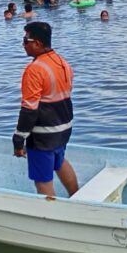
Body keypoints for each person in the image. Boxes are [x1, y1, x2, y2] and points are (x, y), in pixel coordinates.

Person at [12, 22, 79, 197]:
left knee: (42, 179)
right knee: (59, 161)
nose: (23, 44)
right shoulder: (63, 63)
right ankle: (77, 196)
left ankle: (51, 209)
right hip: (64, 128)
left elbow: (29, 110)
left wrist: (19, 139)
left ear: (37, 44)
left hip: (44, 134)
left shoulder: (34, 70)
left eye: (25, 40)